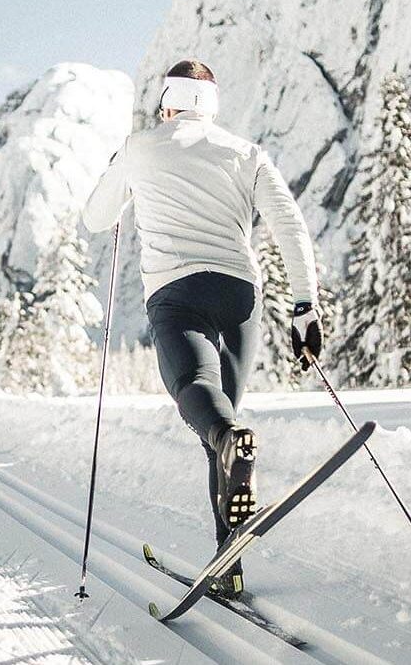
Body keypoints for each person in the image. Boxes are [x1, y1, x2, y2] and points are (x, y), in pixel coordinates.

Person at [80, 59, 323, 599]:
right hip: (240, 295)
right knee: (225, 424)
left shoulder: (141, 146)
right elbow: (289, 224)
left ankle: (227, 459)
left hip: (177, 294)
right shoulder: (245, 153)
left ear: (167, 101)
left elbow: (96, 217)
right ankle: (228, 561)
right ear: (211, 104)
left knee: (202, 401)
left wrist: (121, 165)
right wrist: (305, 306)